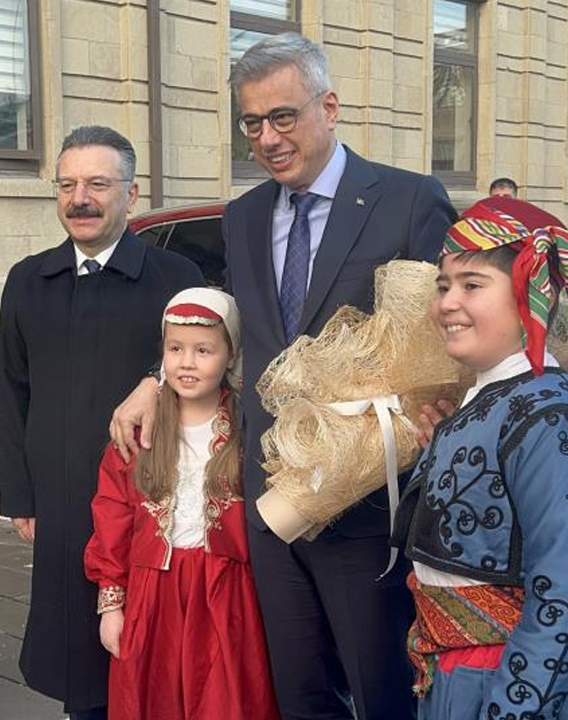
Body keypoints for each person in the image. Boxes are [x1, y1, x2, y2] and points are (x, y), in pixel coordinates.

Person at [111, 33, 457, 720]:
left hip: (365, 506)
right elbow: (229, 327)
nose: (267, 137)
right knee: (296, 694)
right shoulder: (243, 217)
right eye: (251, 123)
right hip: (269, 501)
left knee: (381, 690)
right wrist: (156, 376)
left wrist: (444, 406)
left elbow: (448, 329)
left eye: (283, 117)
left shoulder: (408, 201)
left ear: (328, 107)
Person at [392, 197, 568, 720]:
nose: (447, 303)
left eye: (472, 285)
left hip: (512, 683)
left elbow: (567, 599)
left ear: (529, 294)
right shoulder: (495, 399)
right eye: (443, 285)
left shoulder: (556, 418)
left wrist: (510, 709)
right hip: (459, 672)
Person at [0, 126, 203, 720]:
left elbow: (214, 368)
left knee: (148, 644)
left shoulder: (175, 277)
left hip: (153, 496)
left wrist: (155, 379)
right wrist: (20, 494)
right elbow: (12, 392)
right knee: (78, 660)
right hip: (61, 497)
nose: (79, 198)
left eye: (97, 184)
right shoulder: (27, 280)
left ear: (131, 194)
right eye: (67, 185)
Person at [84, 288, 279, 720]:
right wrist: (112, 605)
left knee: (226, 702)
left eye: (203, 350)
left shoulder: (250, 429)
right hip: (153, 597)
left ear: (231, 355)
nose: (186, 362)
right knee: (154, 699)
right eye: (175, 349)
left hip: (228, 597)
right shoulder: (137, 433)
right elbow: (112, 517)